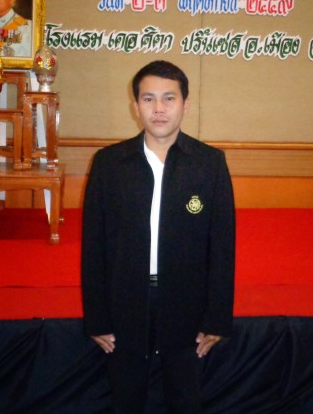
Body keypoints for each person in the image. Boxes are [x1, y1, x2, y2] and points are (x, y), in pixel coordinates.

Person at [81, 60, 236, 413]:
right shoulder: (109, 164)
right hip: (124, 302)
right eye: (148, 99)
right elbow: (93, 247)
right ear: (135, 106)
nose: (159, 108)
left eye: (169, 98)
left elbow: (222, 248)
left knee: (184, 398)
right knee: (127, 398)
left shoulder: (209, 164)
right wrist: (96, 317)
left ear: (185, 104)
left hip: (187, 303)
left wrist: (218, 317)